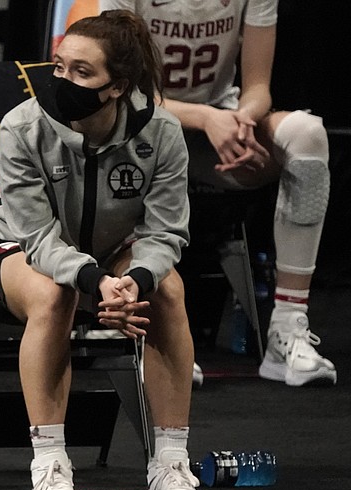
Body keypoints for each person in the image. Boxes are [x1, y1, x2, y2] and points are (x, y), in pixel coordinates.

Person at [0, 10, 207, 490]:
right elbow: (37, 237)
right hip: (16, 244)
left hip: (113, 247)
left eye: (82, 72)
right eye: (59, 67)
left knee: (167, 289)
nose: (63, 80)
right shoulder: (22, 127)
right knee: (54, 294)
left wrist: (133, 280)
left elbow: (165, 232)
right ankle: (50, 470)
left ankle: (169, 465)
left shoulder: (161, 133)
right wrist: (97, 281)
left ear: (117, 86)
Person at [99, 0, 336, 388]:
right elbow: (121, 91)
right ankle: (154, 336)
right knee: (119, 137)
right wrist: (206, 118)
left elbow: (258, 87)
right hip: (138, 129)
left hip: (217, 134)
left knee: (307, 136)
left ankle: (286, 330)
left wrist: (240, 122)